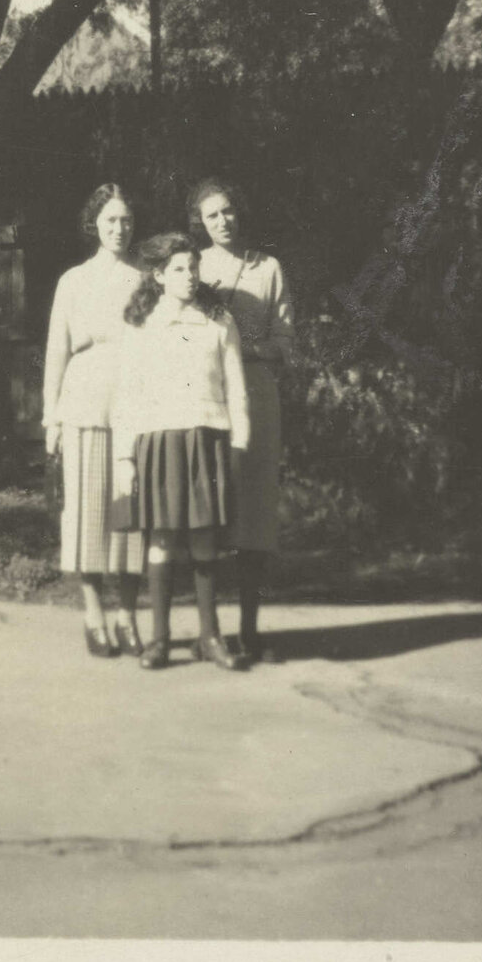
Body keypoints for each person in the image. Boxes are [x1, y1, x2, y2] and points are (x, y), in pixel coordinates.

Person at [111, 233, 251, 672]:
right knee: (162, 539)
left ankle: (210, 638)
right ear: (158, 275)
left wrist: (240, 442)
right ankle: (160, 639)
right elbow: (127, 394)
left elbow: (236, 387)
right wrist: (124, 457)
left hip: (208, 437)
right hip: (159, 440)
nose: (189, 276)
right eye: (178, 269)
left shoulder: (219, 320)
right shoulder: (142, 324)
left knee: (206, 538)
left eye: (193, 267)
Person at [190, 178, 299, 662]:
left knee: (253, 516)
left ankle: (250, 632)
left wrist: (243, 349)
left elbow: (285, 342)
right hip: (207, 395)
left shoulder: (267, 268)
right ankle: (209, 632)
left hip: (255, 394)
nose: (222, 221)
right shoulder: (192, 267)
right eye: (212, 215)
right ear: (200, 222)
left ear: (241, 212)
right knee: (208, 512)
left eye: (228, 211)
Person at [42, 184, 146, 657]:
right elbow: (56, 353)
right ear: (94, 225)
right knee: (86, 513)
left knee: (131, 514)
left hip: (134, 404)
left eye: (125, 221)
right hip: (83, 401)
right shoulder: (74, 281)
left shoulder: (147, 279)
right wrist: (52, 419)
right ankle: (93, 614)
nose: (119, 229)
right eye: (110, 221)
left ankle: (127, 615)